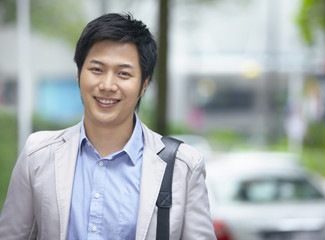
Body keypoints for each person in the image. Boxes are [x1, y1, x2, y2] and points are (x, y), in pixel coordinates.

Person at [0, 13, 216, 240]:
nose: (107, 85)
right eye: (96, 69)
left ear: (144, 84)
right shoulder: (39, 155)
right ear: (78, 74)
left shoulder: (184, 167)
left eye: (123, 73)